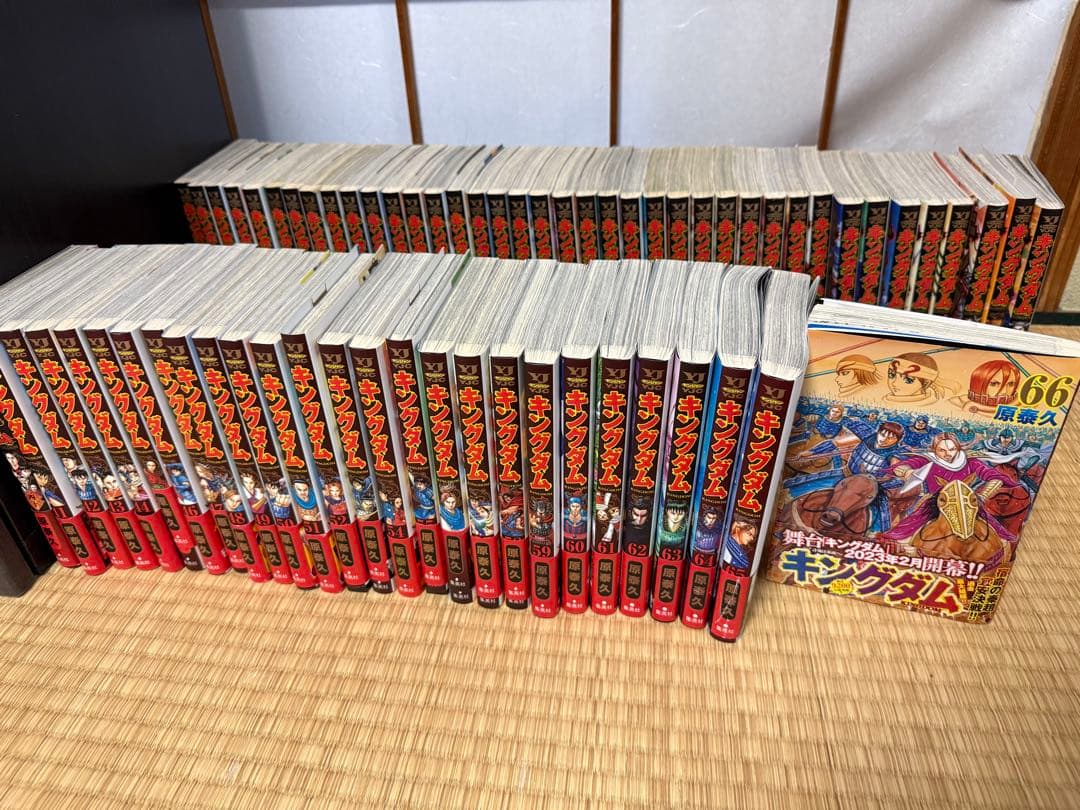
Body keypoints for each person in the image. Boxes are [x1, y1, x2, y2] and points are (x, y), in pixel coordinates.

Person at [883, 432, 1018, 544]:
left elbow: (996, 477)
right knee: (907, 527)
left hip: (966, 500)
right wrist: (906, 471)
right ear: (934, 450)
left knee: (997, 532)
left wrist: (982, 496)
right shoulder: (927, 459)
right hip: (936, 500)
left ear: (958, 448)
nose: (948, 454)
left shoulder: (970, 461)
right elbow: (900, 466)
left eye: (952, 449)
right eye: (942, 450)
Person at [796, 420, 907, 532]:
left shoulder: (896, 453)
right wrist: (812, 452)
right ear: (878, 432)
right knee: (804, 483)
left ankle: (876, 534)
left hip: (869, 488)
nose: (884, 439)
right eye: (882, 434)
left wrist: (902, 472)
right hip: (846, 475)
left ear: (897, 440)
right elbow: (835, 443)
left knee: (883, 516)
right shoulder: (867, 435)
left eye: (890, 438)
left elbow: (898, 467)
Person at [949, 359, 1022, 416]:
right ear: (978, 383)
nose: (1004, 391)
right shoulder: (955, 403)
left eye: (1011, 384)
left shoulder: (1020, 405)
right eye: (994, 384)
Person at [884, 353, 948, 406]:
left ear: (926, 383)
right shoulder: (884, 401)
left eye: (907, 379)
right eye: (891, 375)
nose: (894, 382)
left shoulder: (932, 404)